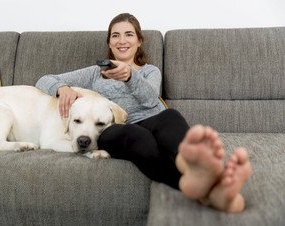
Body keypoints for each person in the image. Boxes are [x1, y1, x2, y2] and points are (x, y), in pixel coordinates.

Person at [35, 13, 252, 213]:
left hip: (152, 119)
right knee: (138, 137)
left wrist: (130, 76)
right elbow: (44, 79)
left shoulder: (149, 71)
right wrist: (62, 88)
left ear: (139, 41)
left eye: (129, 34)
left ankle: (197, 171)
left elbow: (150, 99)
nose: (122, 40)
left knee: (171, 116)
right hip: (115, 129)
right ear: (109, 42)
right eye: (115, 35)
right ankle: (208, 188)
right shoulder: (96, 73)